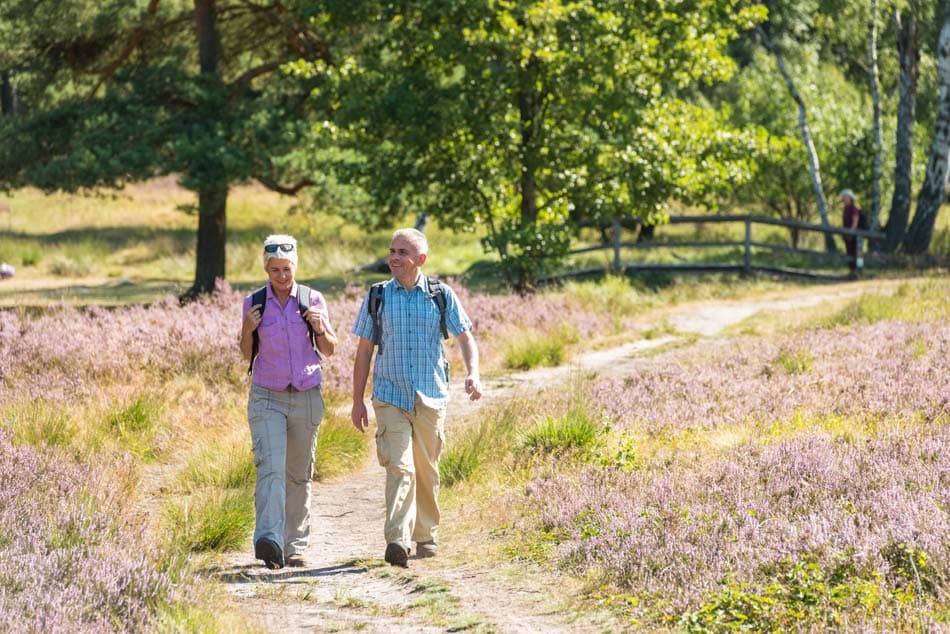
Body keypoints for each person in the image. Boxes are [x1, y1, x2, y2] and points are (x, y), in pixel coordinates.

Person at [351, 228, 482, 568]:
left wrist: (473, 373)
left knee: (426, 470)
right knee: (400, 466)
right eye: (391, 250)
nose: (393, 257)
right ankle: (397, 539)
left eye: (402, 253)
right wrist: (357, 400)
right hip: (390, 395)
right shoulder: (377, 295)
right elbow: (364, 350)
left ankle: (425, 536)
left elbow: (465, 338)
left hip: (431, 395)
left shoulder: (440, 295)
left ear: (420, 260)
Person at [239, 234, 338, 569]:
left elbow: (329, 349)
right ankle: (269, 539)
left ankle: (294, 544)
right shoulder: (254, 302)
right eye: (275, 269)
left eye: (287, 268)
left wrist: (320, 327)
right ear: (266, 269)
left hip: (306, 395)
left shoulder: (312, 298)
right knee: (270, 468)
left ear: (295, 266)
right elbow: (245, 354)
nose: (282, 275)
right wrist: (247, 330)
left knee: (299, 472)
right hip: (267, 395)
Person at [840, 189, 861, 276]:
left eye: (845, 197)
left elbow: (855, 221)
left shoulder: (854, 208)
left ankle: (858, 271)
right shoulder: (845, 208)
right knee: (849, 252)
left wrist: (850, 233)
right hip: (847, 235)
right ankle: (852, 271)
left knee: (857, 253)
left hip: (855, 235)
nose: (843, 199)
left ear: (850, 198)